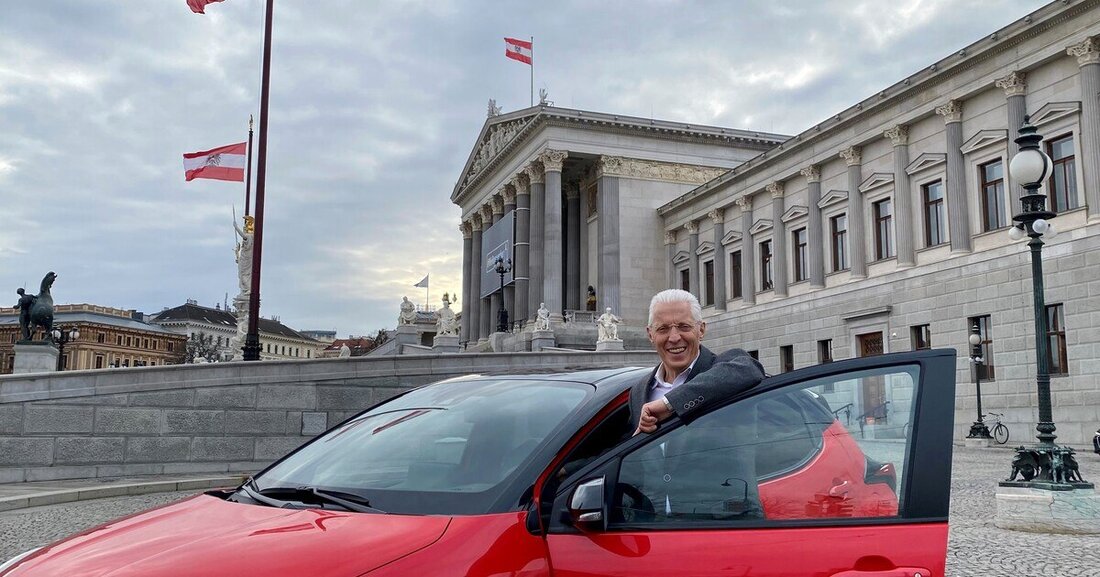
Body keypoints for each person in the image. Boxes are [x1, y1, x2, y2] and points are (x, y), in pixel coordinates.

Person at [631, 289, 765, 435]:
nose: (674, 338)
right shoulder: (639, 391)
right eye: (663, 329)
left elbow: (750, 369)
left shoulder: (727, 368)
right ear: (650, 334)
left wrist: (669, 403)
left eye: (684, 327)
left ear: (701, 330)